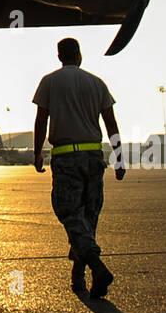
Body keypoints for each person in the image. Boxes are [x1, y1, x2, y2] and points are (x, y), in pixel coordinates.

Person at [32, 37, 125, 298]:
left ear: (59, 56)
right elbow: (111, 124)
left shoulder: (50, 81)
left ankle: (96, 266)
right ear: (79, 55)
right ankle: (79, 277)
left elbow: (41, 120)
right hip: (94, 158)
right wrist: (119, 157)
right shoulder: (97, 83)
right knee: (88, 219)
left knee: (70, 214)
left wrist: (38, 152)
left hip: (66, 159)